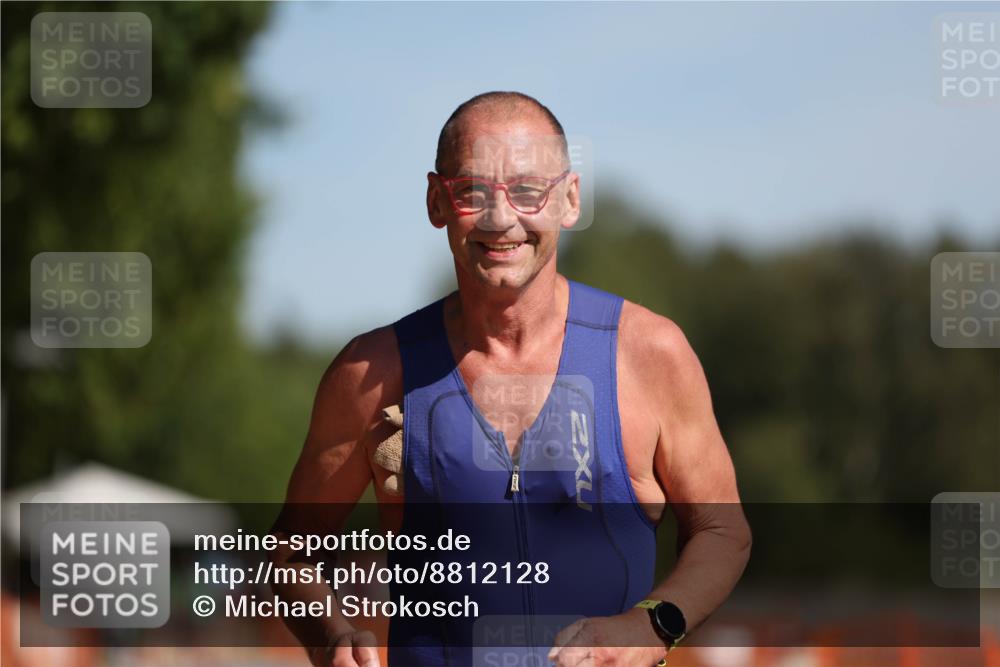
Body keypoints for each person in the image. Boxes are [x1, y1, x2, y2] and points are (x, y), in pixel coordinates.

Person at [270, 91, 751, 667]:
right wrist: (332, 639)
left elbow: (723, 531)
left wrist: (652, 625)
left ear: (569, 200)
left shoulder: (648, 354)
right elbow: (289, 554)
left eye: (527, 191)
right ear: (436, 201)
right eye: (472, 192)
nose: (502, 220)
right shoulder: (370, 374)